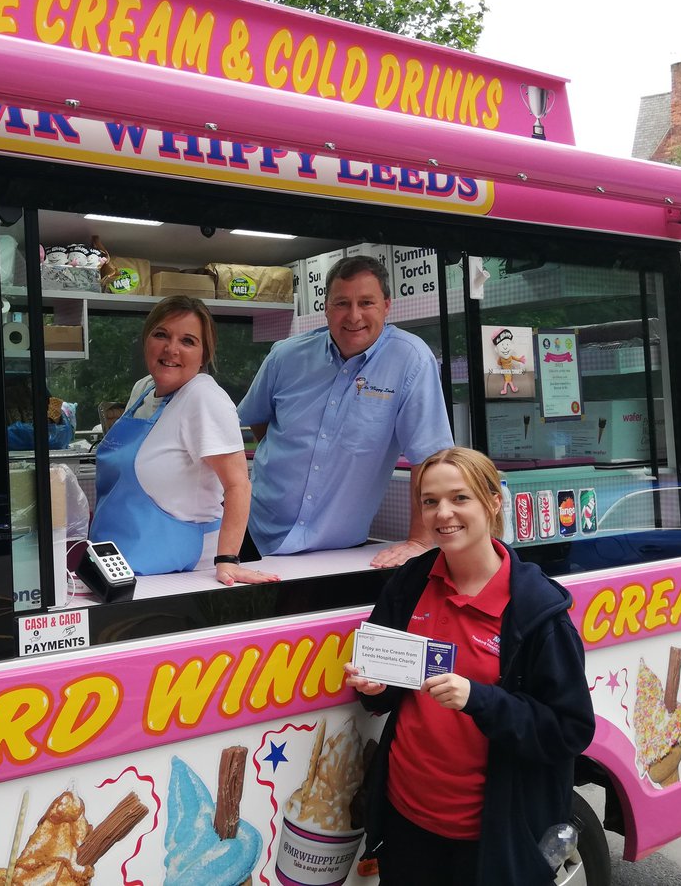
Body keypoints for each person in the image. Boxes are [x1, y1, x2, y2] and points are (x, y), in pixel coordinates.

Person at [344, 447, 594, 886]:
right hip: (406, 818)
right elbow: (384, 685)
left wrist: (478, 699)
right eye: (430, 501)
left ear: (493, 502)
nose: (443, 514)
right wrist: (373, 687)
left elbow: (569, 729)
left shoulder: (537, 610)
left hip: (489, 836)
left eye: (460, 498)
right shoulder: (410, 581)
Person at [237, 255, 453, 567]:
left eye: (366, 302)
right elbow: (255, 415)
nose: (354, 316)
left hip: (336, 551)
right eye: (342, 303)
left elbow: (430, 458)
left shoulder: (411, 360)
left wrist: (419, 541)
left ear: (387, 306)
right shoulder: (285, 356)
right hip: (253, 531)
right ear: (325, 307)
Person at [90, 295, 278, 586]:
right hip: (122, 565)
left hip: (182, 572)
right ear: (146, 341)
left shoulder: (203, 397)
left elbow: (238, 485)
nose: (171, 349)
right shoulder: (144, 389)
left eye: (188, 341)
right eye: (161, 334)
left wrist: (228, 561)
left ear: (204, 354)